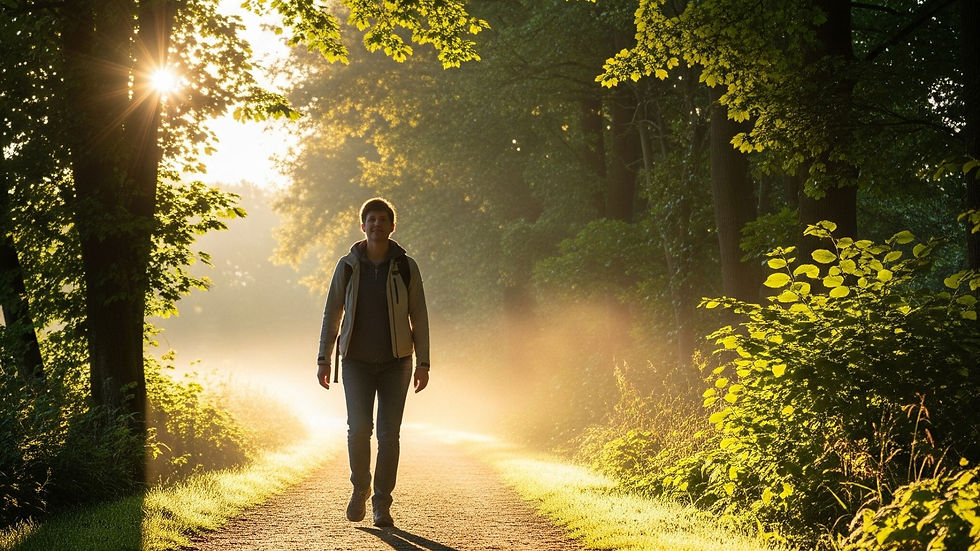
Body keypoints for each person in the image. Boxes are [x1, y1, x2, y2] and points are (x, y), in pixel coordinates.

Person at [316, 197, 430, 528]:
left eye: (383, 220)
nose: (377, 224)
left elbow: (419, 316)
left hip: (397, 363)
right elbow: (332, 312)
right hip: (355, 362)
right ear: (363, 226)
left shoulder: (407, 266)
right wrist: (324, 358)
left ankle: (382, 503)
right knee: (358, 430)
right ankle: (359, 488)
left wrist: (424, 362)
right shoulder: (347, 266)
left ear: (392, 227)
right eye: (372, 220)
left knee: (389, 434)